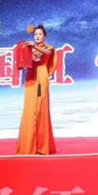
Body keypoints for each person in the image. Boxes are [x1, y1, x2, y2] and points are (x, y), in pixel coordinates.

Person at [16, 24, 58, 155]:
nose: (37, 36)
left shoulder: (48, 47)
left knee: (40, 110)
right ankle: (28, 147)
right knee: (29, 112)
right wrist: (23, 56)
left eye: (40, 34)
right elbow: (26, 62)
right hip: (30, 80)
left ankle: (41, 147)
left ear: (44, 36)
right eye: (35, 34)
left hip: (41, 80)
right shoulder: (30, 49)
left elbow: (46, 54)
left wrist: (33, 47)